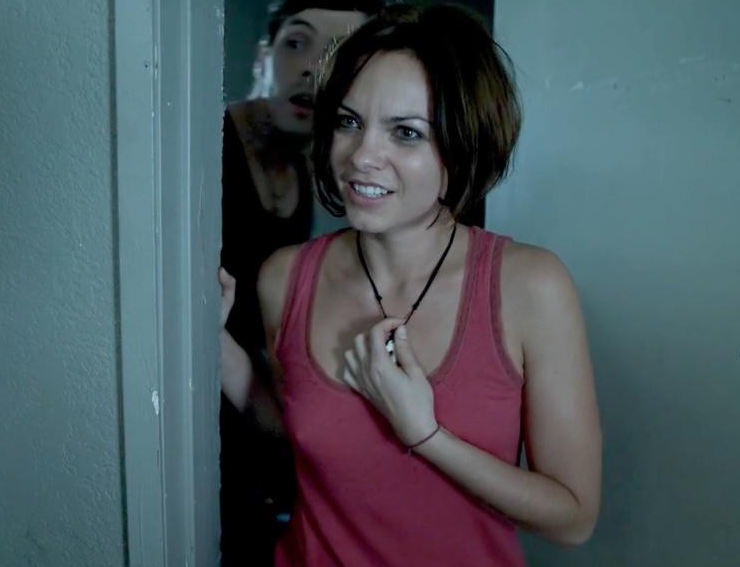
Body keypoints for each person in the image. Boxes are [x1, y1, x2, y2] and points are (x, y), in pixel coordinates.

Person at [221, 3, 602, 565]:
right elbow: (291, 427)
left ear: (463, 145)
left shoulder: (531, 287)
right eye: (349, 122)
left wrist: (425, 435)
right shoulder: (285, 276)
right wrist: (213, 342)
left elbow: (573, 518)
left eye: (406, 133)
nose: (362, 156)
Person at [219, 1, 383, 565]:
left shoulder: (307, 170)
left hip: (252, 413)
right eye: (297, 43)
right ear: (262, 57)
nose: (313, 67)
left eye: (338, 55)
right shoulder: (208, 149)